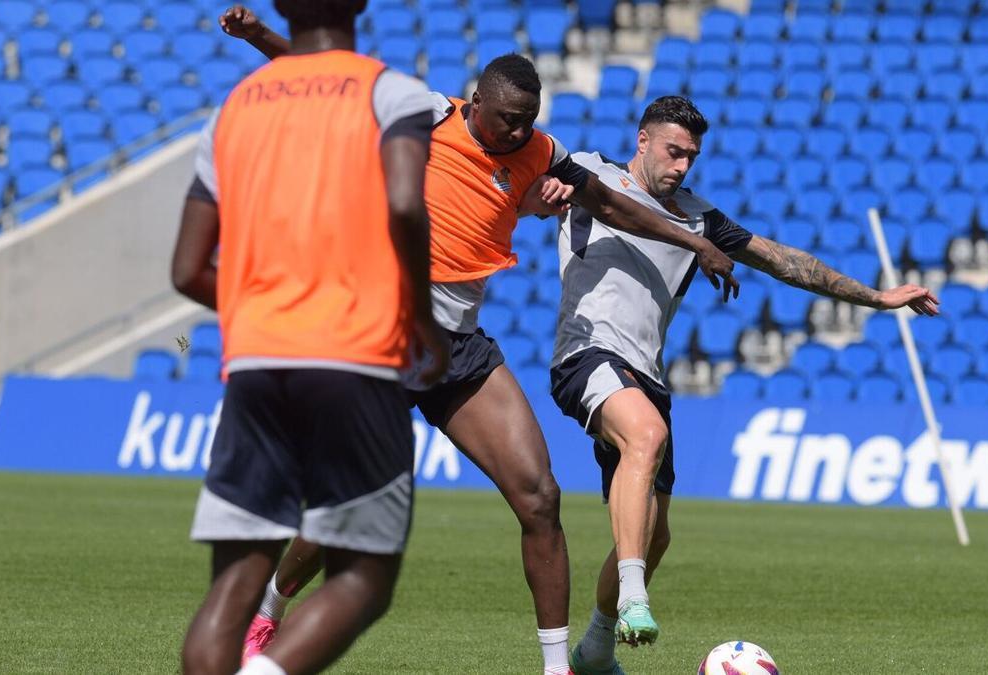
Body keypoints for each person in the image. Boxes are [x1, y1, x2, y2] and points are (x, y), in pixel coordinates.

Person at [216, 7, 740, 674]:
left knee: (540, 498)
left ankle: (558, 667)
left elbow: (616, 206)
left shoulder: (539, 153)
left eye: (528, 120)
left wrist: (697, 241)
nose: (518, 132)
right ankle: (267, 609)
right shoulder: (424, 115)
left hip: (459, 349)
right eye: (506, 120)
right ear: (476, 102)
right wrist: (261, 35)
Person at [550, 96, 940, 674]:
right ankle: (634, 597)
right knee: (647, 435)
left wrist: (877, 297)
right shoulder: (592, 173)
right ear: (642, 140)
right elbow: (597, 204)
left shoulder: (699, 215)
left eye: (691, 157)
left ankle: (596, 649)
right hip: (587, 353)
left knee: (656, 538)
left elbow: (782, 260)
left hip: (647, 373)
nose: (682, 166)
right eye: (672, 151)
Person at [169, 2, 449, 674]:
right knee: (362, 576)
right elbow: (408, 202)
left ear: (281, 8)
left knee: (235, 581)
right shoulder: (394, 93)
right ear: (359, 4)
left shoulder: (235, 107)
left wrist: (260, 305)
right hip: (354, 356)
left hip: (256, 362)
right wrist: (419, 317)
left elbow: (185, 269)